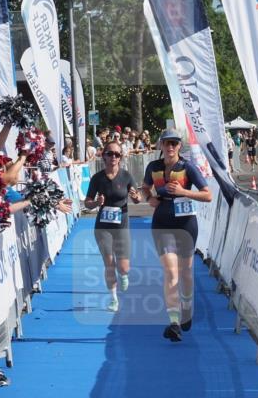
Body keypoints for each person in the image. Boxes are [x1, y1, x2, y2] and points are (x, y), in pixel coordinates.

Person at [141, 128, 213, 342]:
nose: (170, 147)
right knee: (171, 273)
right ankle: (174, 322)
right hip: (162, 223)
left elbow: (207, 195)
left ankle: (187, 307)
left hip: (185, 224)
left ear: (179, 146)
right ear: (161, 145)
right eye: (167, 143)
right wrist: (149, 198)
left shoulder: (187, 167)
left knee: (186, 273)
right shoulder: (153, 167)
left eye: (174, 143)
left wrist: (184, 192)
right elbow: (146, 187)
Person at [84, 140, 141, 311]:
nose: (113, 157)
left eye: (117, 154)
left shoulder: (126, 176)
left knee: (123, 267)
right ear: (104, 156)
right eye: (110, 154)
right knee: (109, 263)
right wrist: (96, 203)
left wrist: (135, 196)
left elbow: (137, 199)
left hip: (122, 224)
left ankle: (123, 275)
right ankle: (113, 299)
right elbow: (87, 203)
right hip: (103, 227)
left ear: (121, 157)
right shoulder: (97, 178)